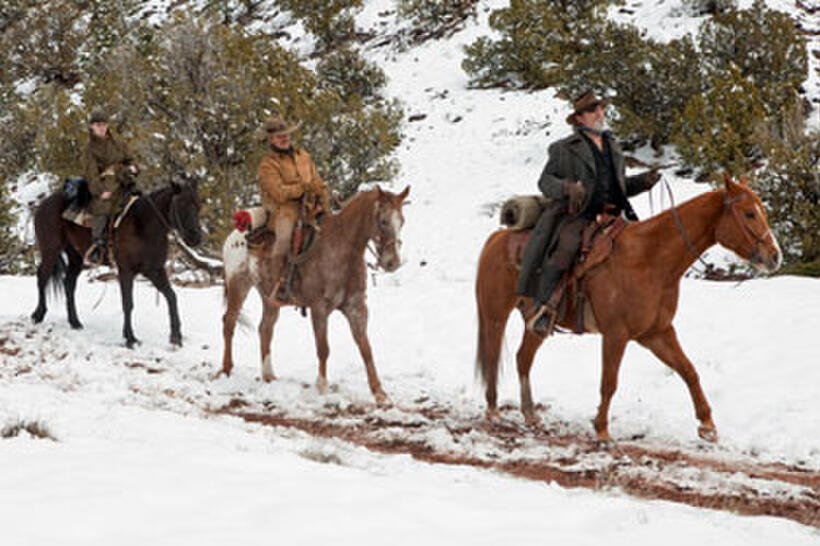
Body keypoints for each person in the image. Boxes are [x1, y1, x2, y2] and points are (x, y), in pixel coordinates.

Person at [517, 91, 661, 335]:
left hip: (613, 215)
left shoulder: (612, 145)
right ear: (579, 119)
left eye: (600, 109)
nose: (599, 114)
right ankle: (543, 308)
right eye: (592, 110)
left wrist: (643, 182)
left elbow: (619, 185)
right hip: (579, 215)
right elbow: (545, 182)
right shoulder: (564, 149)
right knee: (565, 250)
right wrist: (566, 188)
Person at [257, 115, 330, 303]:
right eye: (279, 137)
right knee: (284, 238)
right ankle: (280, 283)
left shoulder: (304, 156)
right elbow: (278, 193)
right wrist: (302, 188)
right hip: (284, 210)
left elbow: (317, 181)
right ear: (270, 140)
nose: (284, 139)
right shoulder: (267, 164)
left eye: (286, 135)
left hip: (310, 206)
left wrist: (324, 198)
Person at [83, 108, 139, 264]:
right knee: (102, 207)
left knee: (140, 202)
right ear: (92, 127)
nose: (101, 127)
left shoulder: (118, 143)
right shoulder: (90, 149)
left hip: (124, 181)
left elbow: (130, 159)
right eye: (97, 125)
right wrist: (100, 191)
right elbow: (91, 173)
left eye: (103, 124)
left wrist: (133, 167)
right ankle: (98, 245)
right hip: (104, 185)